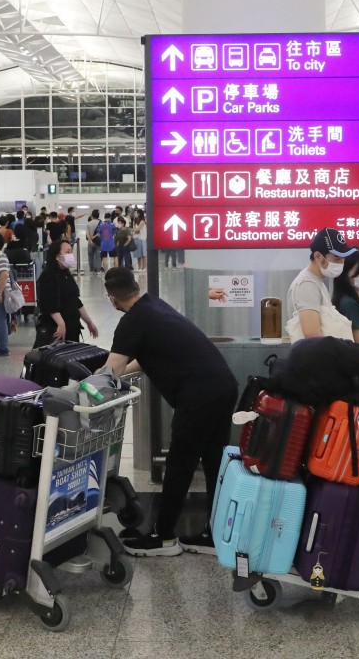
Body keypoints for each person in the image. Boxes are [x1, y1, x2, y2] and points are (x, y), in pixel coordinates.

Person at [101, 267, 238, 557]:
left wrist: (90, 383)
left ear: (111, 298)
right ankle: (216, 534)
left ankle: (163, 537)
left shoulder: (132, 321)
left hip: (199, 396)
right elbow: (145, 356)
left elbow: (109, 373)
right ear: (136, 285)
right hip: (222, 386)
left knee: (180, 464)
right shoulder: (153, 304)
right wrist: (121, 372)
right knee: (215, 463)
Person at [286, 228, 357, 340]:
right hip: (316, 357)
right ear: (318, 256)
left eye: (343, 259)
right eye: (337, 258)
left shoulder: (317, 282)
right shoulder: (307, 284)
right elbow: (312, 335)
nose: (341, 263)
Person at [35, 239, 98, 348]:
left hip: (72, 326)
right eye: (67, 252)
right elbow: (49, 303)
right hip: (56, 328)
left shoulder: (66, 274)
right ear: (57, 256)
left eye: (71, 252)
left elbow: (75, 301)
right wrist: (61, 323)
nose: (70, 255)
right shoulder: (48, 276)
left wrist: (89, 322)